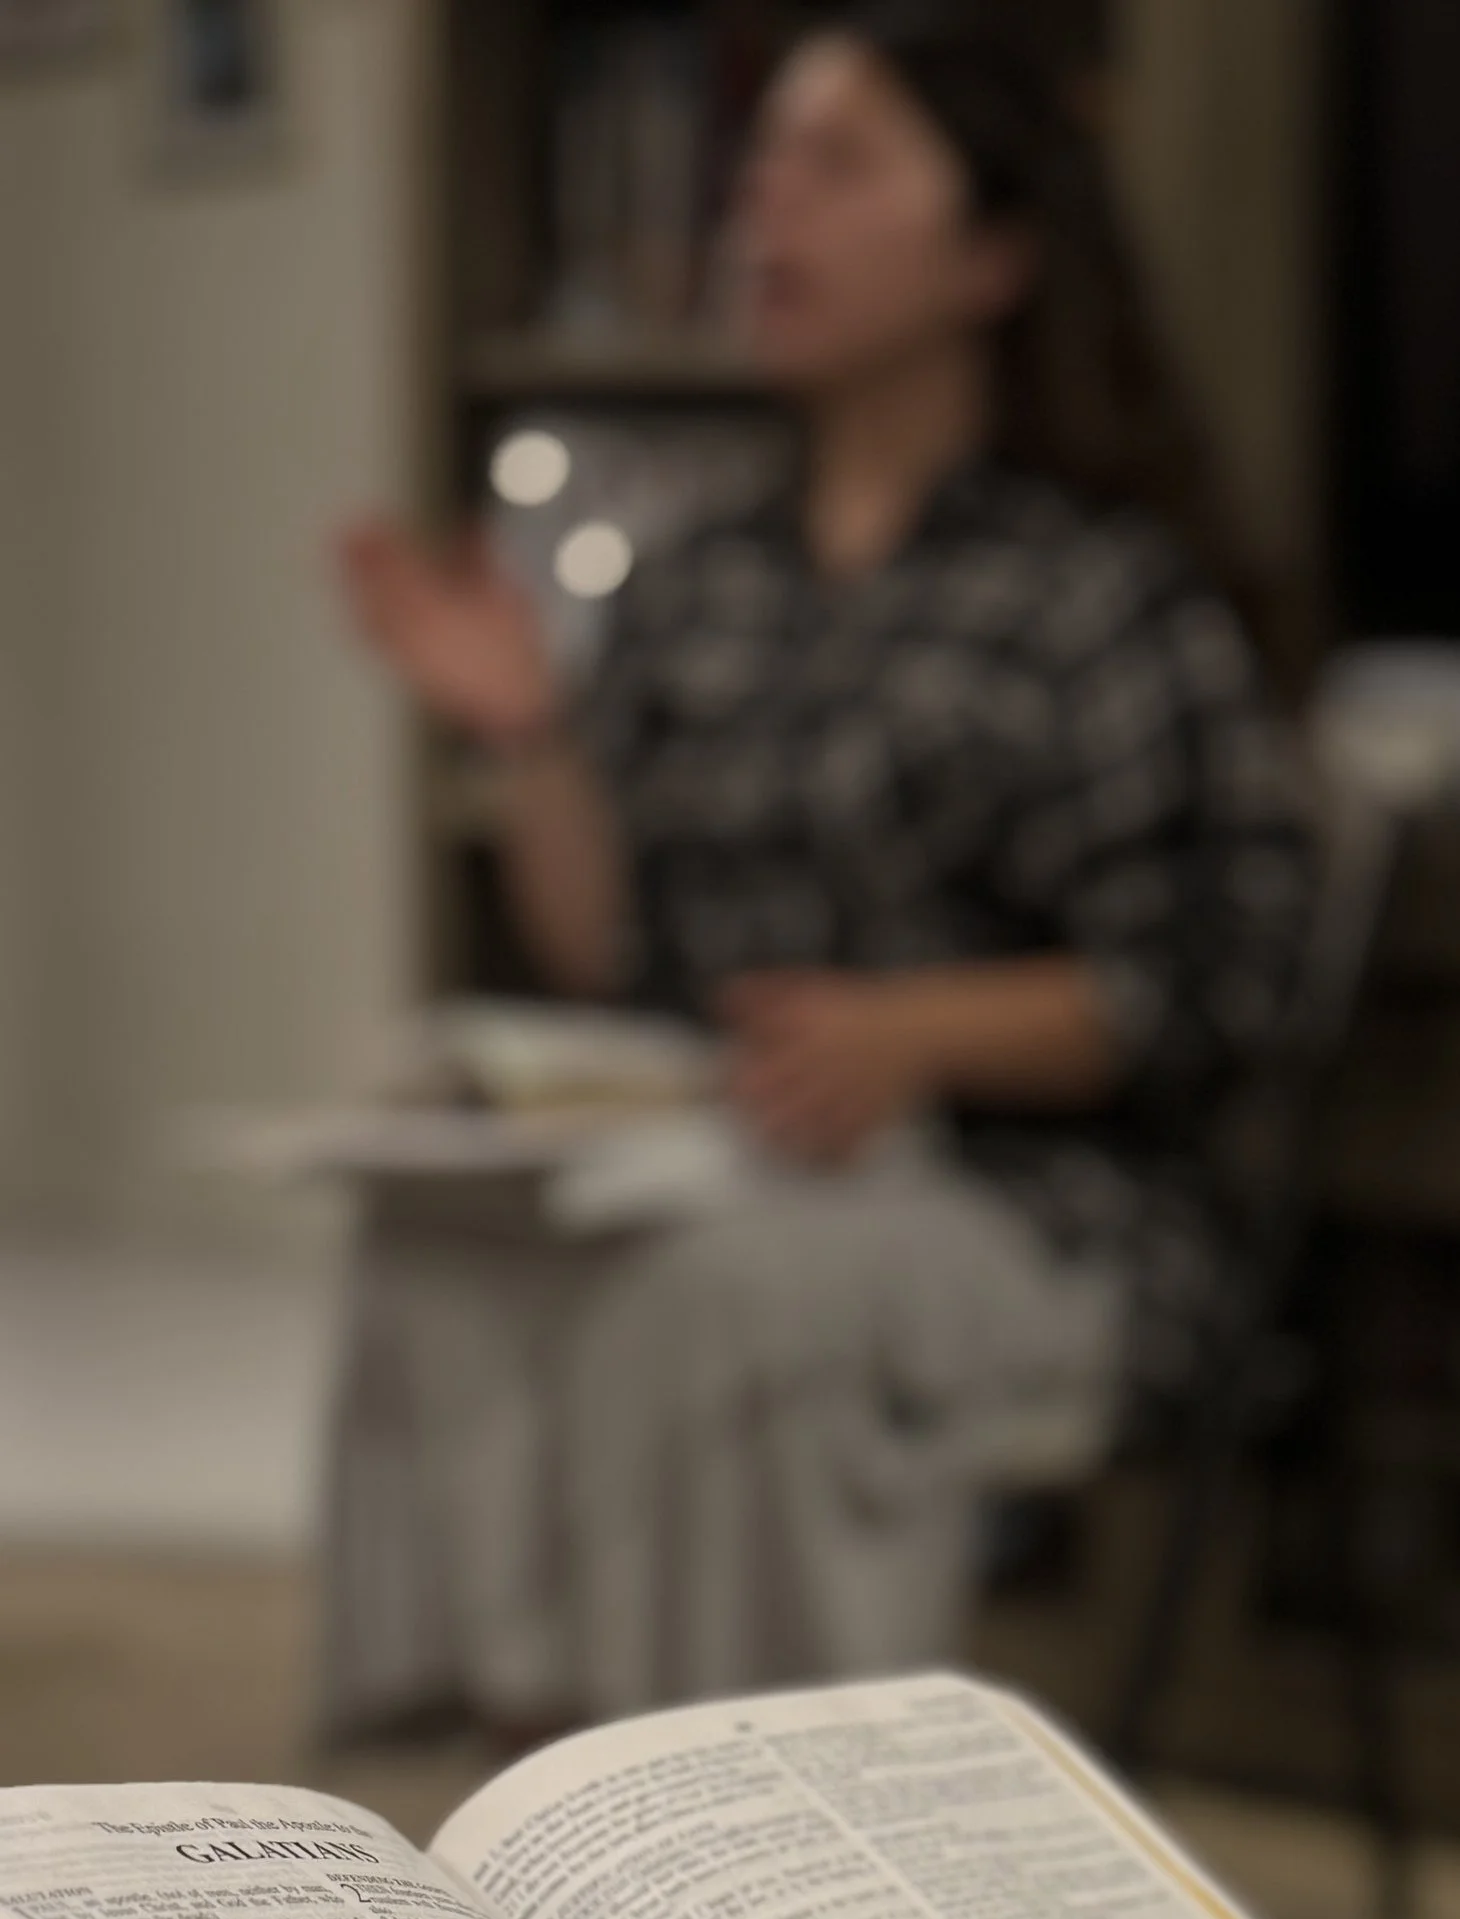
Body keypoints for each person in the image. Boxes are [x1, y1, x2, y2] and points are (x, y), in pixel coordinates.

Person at [328, 6, 1314, 1738]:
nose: (763, 205)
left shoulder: (1099, 596)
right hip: (731, 1152)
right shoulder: (702, 581)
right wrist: (529, 736)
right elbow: (618, 952)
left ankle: (719, 1833)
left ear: (996, 252)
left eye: (836, 163)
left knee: (726, 1298)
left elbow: (1219, 980)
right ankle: (480, 1794)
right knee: (437, 1244)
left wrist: (916, 1035)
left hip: (1043, 1208)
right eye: (762, 159)